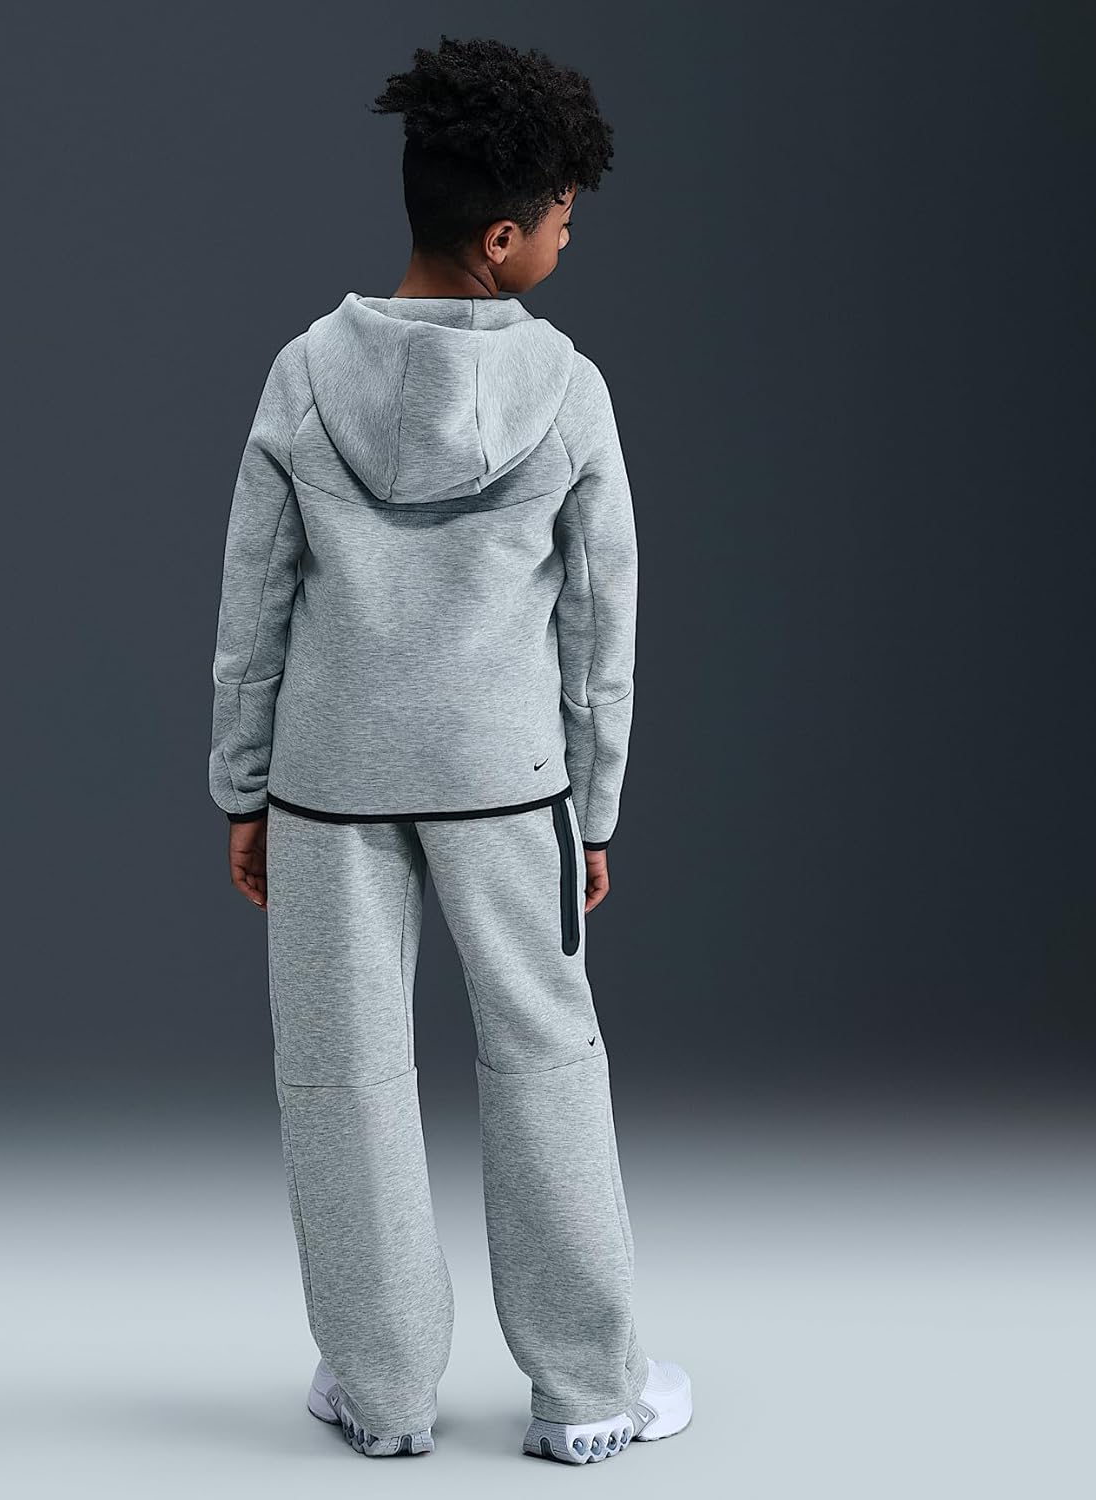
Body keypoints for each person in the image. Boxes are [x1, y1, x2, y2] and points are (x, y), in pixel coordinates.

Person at [207, 34, 691, 1465]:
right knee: (548, 1063)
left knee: (342, 1079)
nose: (565, 241)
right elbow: (600, 627)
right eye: (560, 220)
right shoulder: (570, 390)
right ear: (499, 241)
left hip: (328, 783)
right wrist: (595, 811)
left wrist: (242, 786)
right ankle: (589, 1396)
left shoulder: (305, 375)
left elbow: (254, 606)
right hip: (508, 783)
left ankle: (382, 1394)